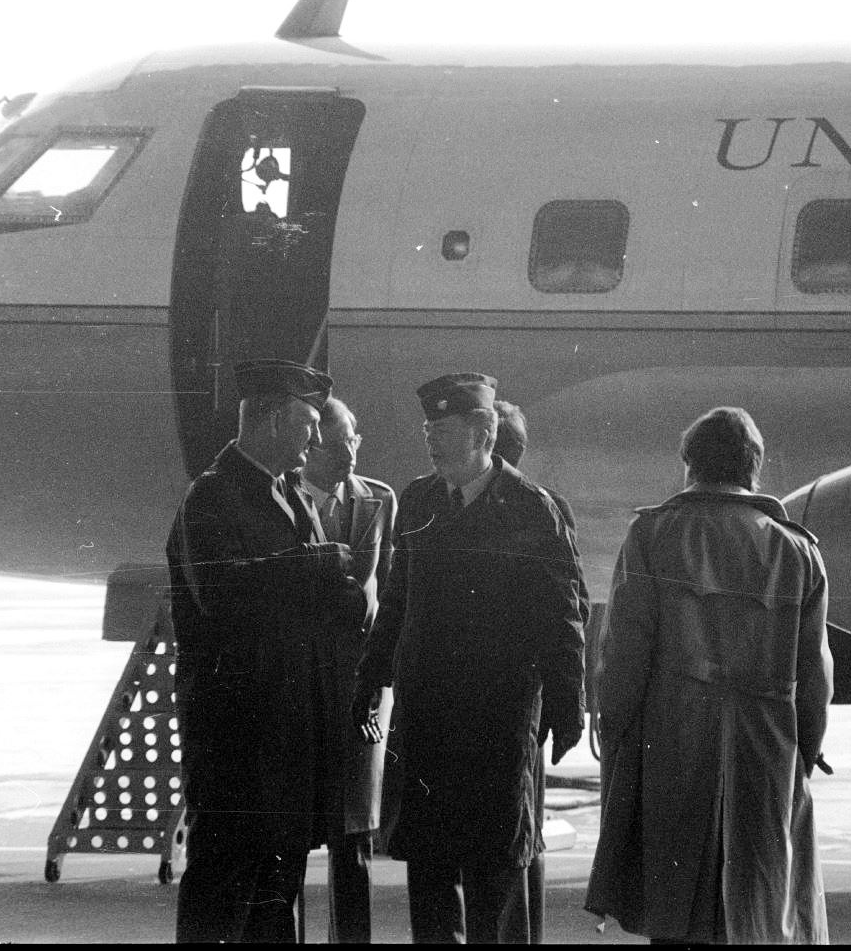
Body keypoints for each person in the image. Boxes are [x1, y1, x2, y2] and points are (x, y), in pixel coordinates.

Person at [352, 372, 586, 944]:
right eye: (427, 426)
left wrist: (566, 705)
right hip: (428, 715)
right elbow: (399, 598)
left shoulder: (532, 509)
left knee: (494, 874)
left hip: (497, 722)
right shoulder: (420, 499)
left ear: (484, 431)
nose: (429, 437)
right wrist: (371, 679)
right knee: (429, 870)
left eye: (443, 426)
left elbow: (564, 616)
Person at [585, 406, 833, 945]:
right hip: (767, 757)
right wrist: (801, 757)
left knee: (675, 913)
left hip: (672, 750)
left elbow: (624, 656)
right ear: (754, 469)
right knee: (759, 913)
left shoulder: (652, 535)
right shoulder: (798, 550)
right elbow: (815, 680)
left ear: (689, 465)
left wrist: (613, 731)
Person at [165, 358, 359, 944]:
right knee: (224, 894)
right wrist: (318, 566)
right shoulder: (213, 499)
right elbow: (221, 593)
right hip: (239, 743)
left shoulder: (288, 495)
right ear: (273, 422)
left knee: (276, 904)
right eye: (307, 425)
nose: (316, 440)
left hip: (288, 743)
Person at [298, 396, 398, 943]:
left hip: (360, 689)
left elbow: (385, 587)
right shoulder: (283, 499)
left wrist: (378, 679)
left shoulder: (378, 500)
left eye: (355, 439)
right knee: (290, 839)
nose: (352, 451)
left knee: (353, 837)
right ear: (311, 447)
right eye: (339, 443)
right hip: (303, 685)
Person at [492, 399, 592, 944]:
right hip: (525, 698)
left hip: (494, 698)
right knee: (524, 831)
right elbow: (569, 609)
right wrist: (566, 702)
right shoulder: (550, 505)